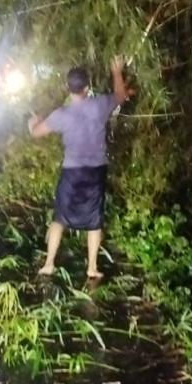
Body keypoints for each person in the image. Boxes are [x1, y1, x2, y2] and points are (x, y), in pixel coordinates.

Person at [28, 56, 130, 279]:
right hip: (95, 171)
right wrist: (116, 72)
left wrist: (32, 123)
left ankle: (48, 264)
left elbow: (36, 132)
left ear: (68, 87)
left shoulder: (61, 115)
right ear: (87, 86)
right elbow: (121, 96)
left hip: (72, 172)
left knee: (60, 217)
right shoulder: (99, 105)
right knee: (94, 219)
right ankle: (92, 268)